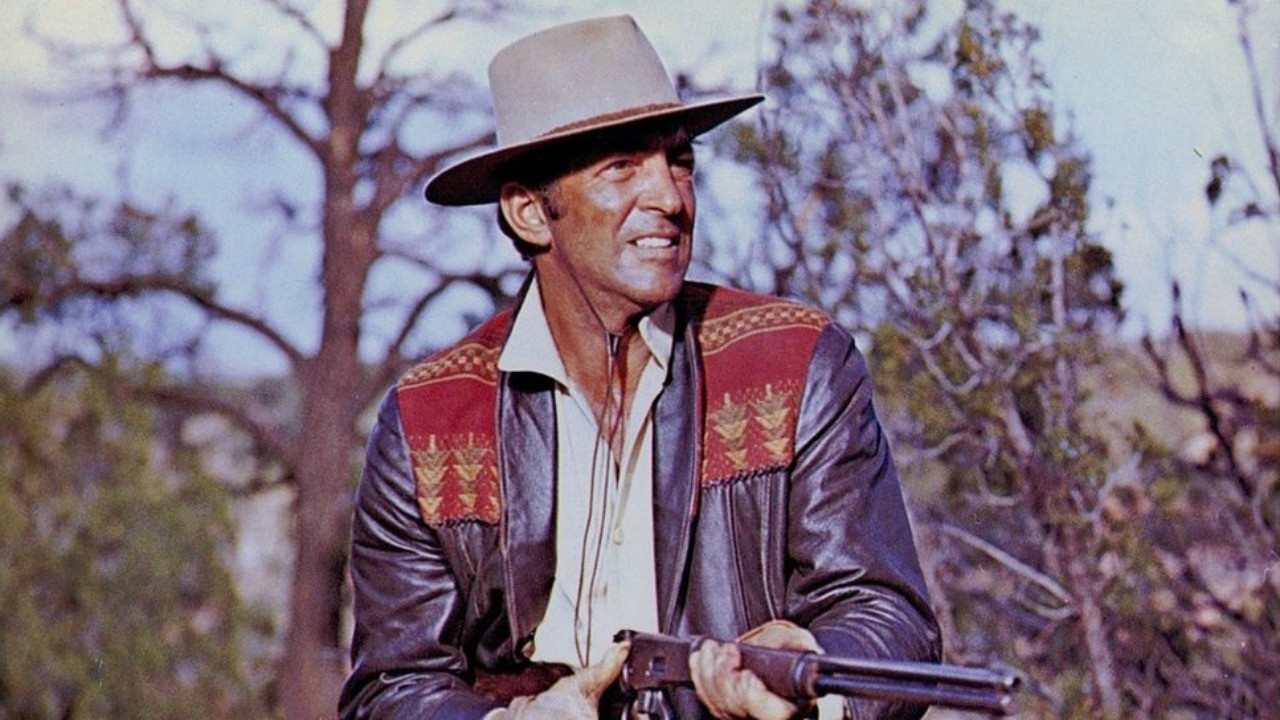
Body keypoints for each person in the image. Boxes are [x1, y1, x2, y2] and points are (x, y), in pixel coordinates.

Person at [340, 15, 941, 720]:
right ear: (529, 212)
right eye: (622, 166)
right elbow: (394, 686)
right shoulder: (430, 419)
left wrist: (807, 665)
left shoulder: (796, 363)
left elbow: (886, 616)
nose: (670, 198)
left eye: (680, 161)